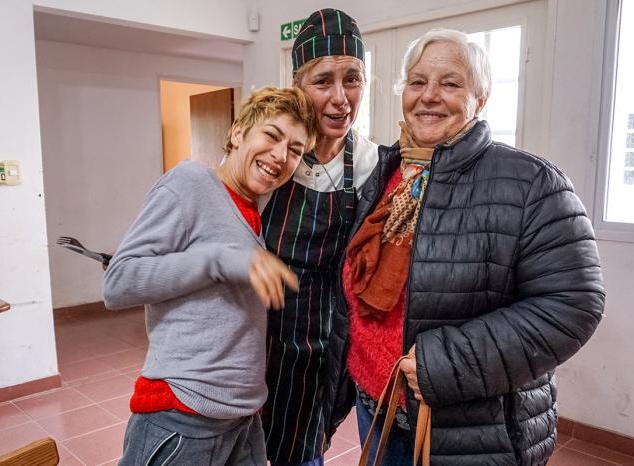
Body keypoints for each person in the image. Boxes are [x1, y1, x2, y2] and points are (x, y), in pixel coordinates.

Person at [324, 28, 606, 465]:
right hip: (375, 404)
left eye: (450, 83)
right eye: (417, 82)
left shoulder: (532, 184)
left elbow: (574, 305)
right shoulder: (387, 173)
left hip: (468, 432)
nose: (429, 96)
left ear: (481, 97)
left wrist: (444, 363)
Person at [102, 86, 317, 466]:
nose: (282, 156)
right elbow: (118, 282)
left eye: (296, 150)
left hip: (243, 417)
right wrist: (217, 261)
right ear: (238, 133)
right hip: (182, 415)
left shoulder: (255, 210)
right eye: (272, 135)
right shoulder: (191, 183)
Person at [259, 8, 379, 466]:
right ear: (297, 86)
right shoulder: (273, 159)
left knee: (305, 454)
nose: (340, 98)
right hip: (262, 341)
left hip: (328, 349)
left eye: (353, 79)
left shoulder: (375, 164)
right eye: (322, 80)